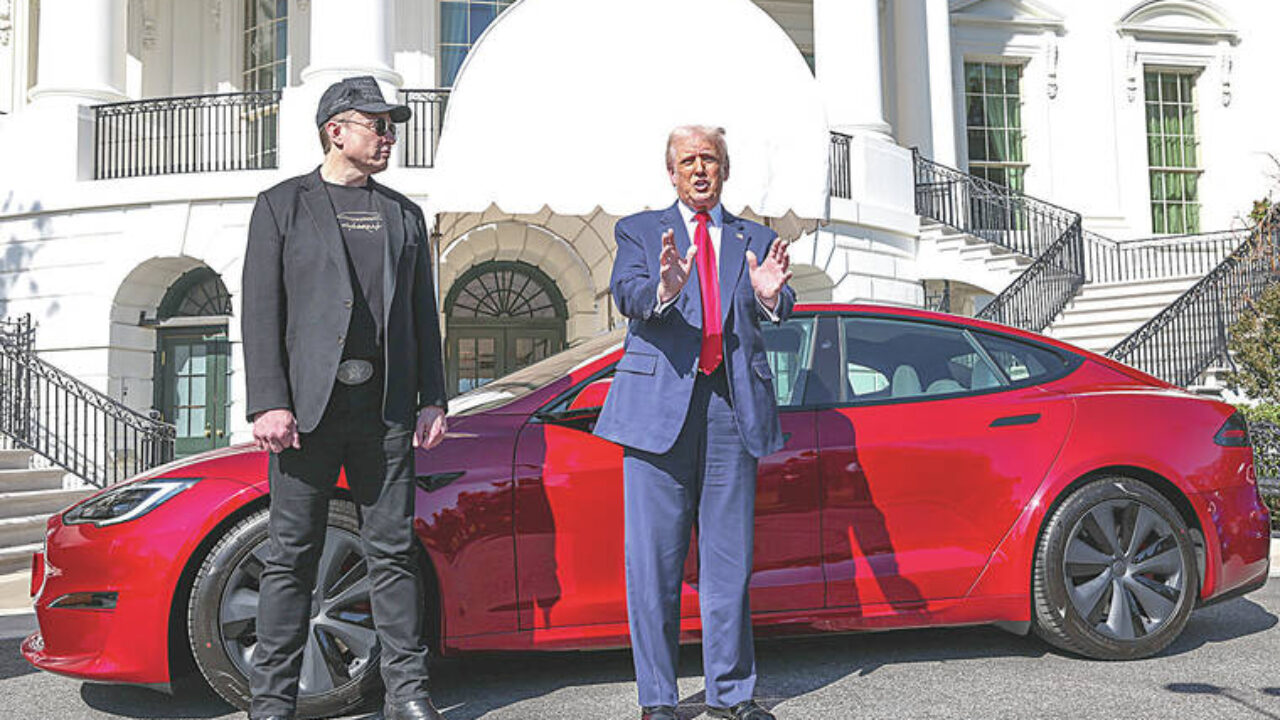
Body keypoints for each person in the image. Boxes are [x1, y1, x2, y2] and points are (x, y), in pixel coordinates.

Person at [241, 75, 449, 720]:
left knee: (393, 554)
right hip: (306, 413)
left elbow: (423, 314)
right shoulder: (282, 205)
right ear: (336, 130)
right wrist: (268, 401)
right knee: (290, 557)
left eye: (391, 127)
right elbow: (260, 310)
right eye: (376, 125)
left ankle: (407, 693)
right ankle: (271, 702)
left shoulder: (403, 214)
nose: (388, 137)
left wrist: (434, 397)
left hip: (385, 411)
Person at [594, 125, 794, 720]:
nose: (700, 169)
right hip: (656, 415)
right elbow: (626, 294)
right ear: (672, 172)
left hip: (732, 411)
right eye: (688, 161)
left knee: (729, 564)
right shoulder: (639, 230)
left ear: (724, 171)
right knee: (653, 565)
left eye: (710, 159)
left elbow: (782, 303)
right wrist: (663, 288)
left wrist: (767, 297)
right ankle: (658, 700)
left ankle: (731, 694)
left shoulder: (755, 237)